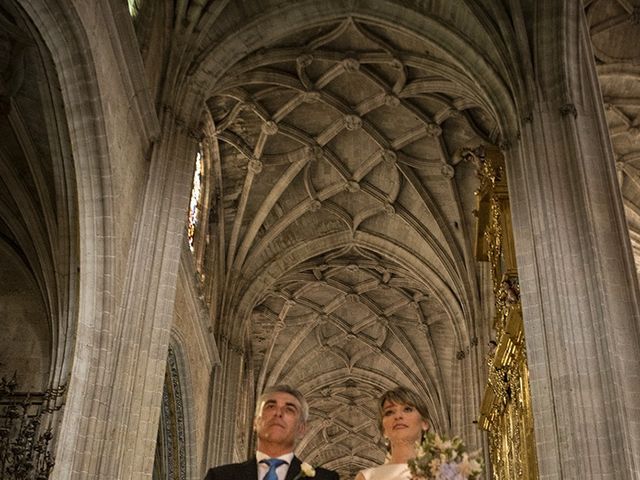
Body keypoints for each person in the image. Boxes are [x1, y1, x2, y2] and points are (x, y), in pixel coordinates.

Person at [204, 384, 339, 480]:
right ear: (256, 422)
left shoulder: (325, 478)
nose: (278, 413)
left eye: (289, 409)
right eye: (270, 406)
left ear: (301, 428)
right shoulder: (220, 476)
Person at [355, 386, 429, 480]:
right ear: (383, 430)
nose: (398, 416)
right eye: (389, 412)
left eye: (407, 409)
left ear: (424, 423)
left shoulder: (444, 472)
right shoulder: (367, 477)